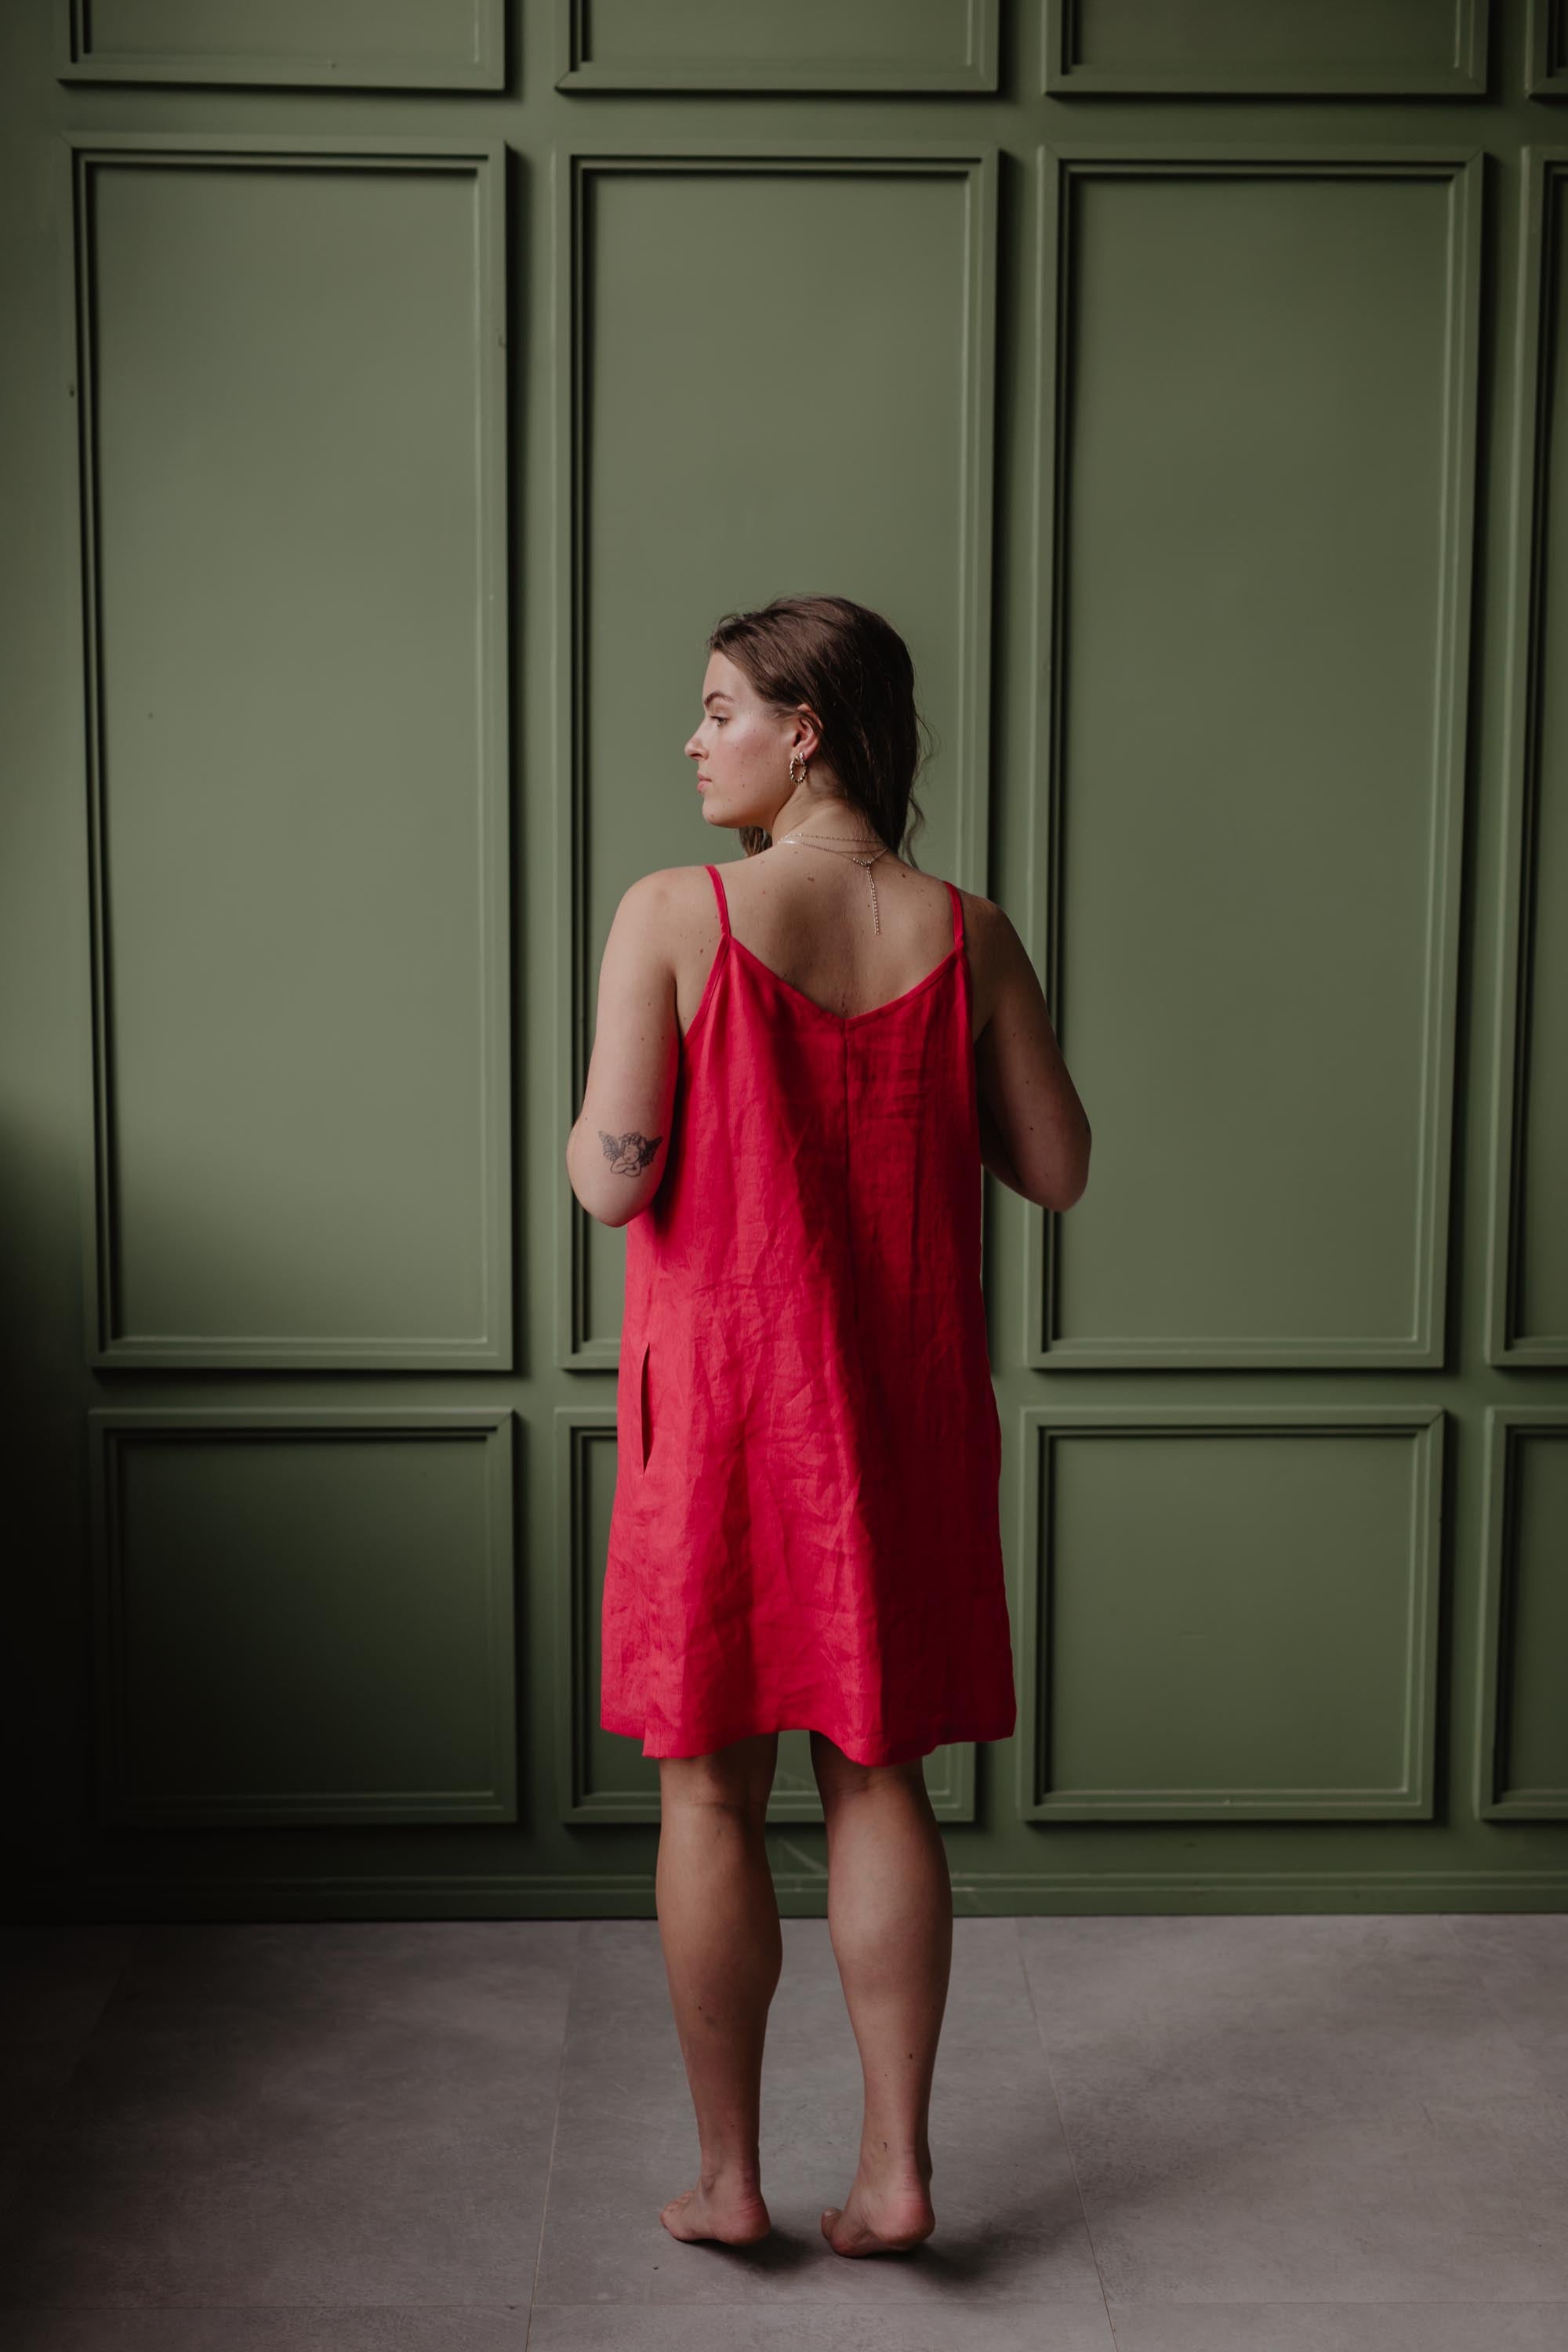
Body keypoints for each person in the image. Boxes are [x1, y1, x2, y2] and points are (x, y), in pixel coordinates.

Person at [564, 593, 1092, 2259]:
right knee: (881, 1782)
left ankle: (731, 2182)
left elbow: (608, 1178)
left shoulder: (676, 911)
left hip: (723, 1424)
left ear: (805, 730)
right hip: (900, 1425)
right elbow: (1058, 1168)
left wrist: (622, 1133)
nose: (693, 737)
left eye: (719, 707)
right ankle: (892, 2172)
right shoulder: (972, 930)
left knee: (709, 1798)